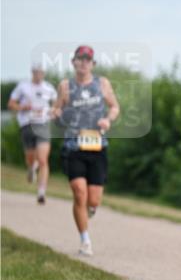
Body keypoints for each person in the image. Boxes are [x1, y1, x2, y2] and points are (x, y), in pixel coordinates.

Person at [52, 45, 120, 256]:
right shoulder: (65, 86)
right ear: (73, 62)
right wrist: (56, 114)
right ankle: (85, 240)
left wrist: (108, 120)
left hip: (97, 146)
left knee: (93, 200)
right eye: (80, 59)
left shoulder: (102, 84)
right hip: (73, 146)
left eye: (87, 59)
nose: (83, 63)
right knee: (79, 193)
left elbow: (115, 107)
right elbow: (57, 108)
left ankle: (89, 210)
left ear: (93, 64)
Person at [8, 64, 57, 204]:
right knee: (30, 157)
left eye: (41, 72)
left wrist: (53, 111)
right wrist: (23, 107)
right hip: (26, 124)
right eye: (36, 72)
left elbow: (57, 105)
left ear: (44, 73)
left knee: (43, 160)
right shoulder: (22, 87)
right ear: (32, 73)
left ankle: (41, 192)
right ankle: (31, 167)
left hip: (43, 124)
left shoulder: (49, 88)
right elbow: (11, 104)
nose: (39, 75)